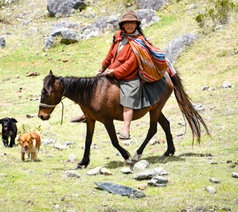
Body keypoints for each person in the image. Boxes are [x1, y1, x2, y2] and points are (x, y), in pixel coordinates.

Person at [71, 10, 167, 140]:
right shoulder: (119, 36)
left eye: (132, 23)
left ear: (136, 24)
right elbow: (111, 53)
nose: (129, 26)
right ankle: (88, 113)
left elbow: (131, 64)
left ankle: (126, 128)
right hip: (112, 71)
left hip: (129, 77)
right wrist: (103, 66)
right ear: (122, 25)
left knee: (128, 99)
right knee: (94, 89)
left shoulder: (139, 41)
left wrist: (114, 72)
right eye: (126, 23)